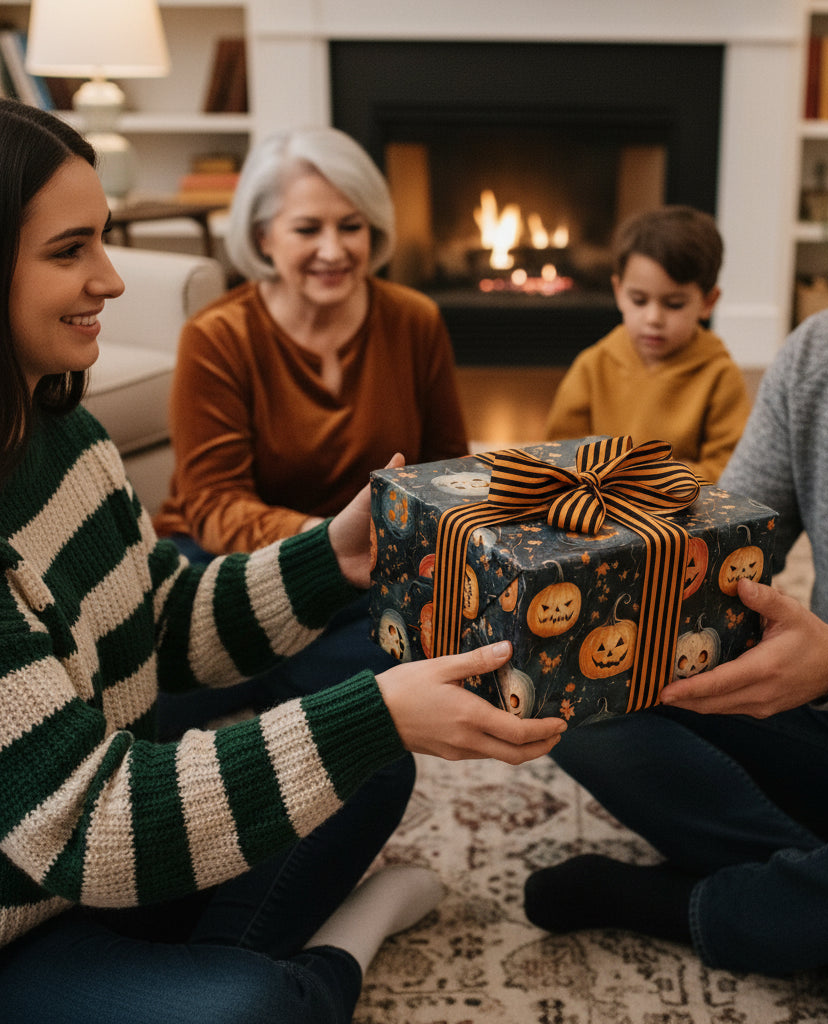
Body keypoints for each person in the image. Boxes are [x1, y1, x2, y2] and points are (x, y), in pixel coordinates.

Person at [0, 99, 566, 1024]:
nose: (111, 278)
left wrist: (330, 556)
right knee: (250, 1004)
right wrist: (376, 708)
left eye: (103, 241)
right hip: (26, 911)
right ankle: (327, 949)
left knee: (368, 759)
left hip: (96, 875)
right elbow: (92, 823)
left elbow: (165, 622)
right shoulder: (222, 337)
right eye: (70, 252)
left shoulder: (67, 433)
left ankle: (184, 977)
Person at [524, 63, 828, 1024]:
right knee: (574, 684)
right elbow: (717, 556)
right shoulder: (820, 354)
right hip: (814, 718)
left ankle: (700, 905)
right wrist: (571, 567)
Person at [152, 126, 470, 730]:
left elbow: (450, 473)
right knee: (140, 713)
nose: (334, 249)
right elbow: (214, 503)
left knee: (374, 740)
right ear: (262, 236)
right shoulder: (217, 337)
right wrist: (324, 546)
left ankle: (278, 679)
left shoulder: (415, 320)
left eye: (351, 226)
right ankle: (278, 678)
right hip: (230, 563)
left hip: (367, 574)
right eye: (307, 229)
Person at [543, 205, 749, 482]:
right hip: (600, 512)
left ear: (708, 302)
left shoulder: (720, 376)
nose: (653, 318)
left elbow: (730, 471)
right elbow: (556, 455)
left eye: (674, 304)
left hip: (682, 517)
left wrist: (653, 480)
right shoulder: (592, 366)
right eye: (639, 300)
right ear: (619, 292)